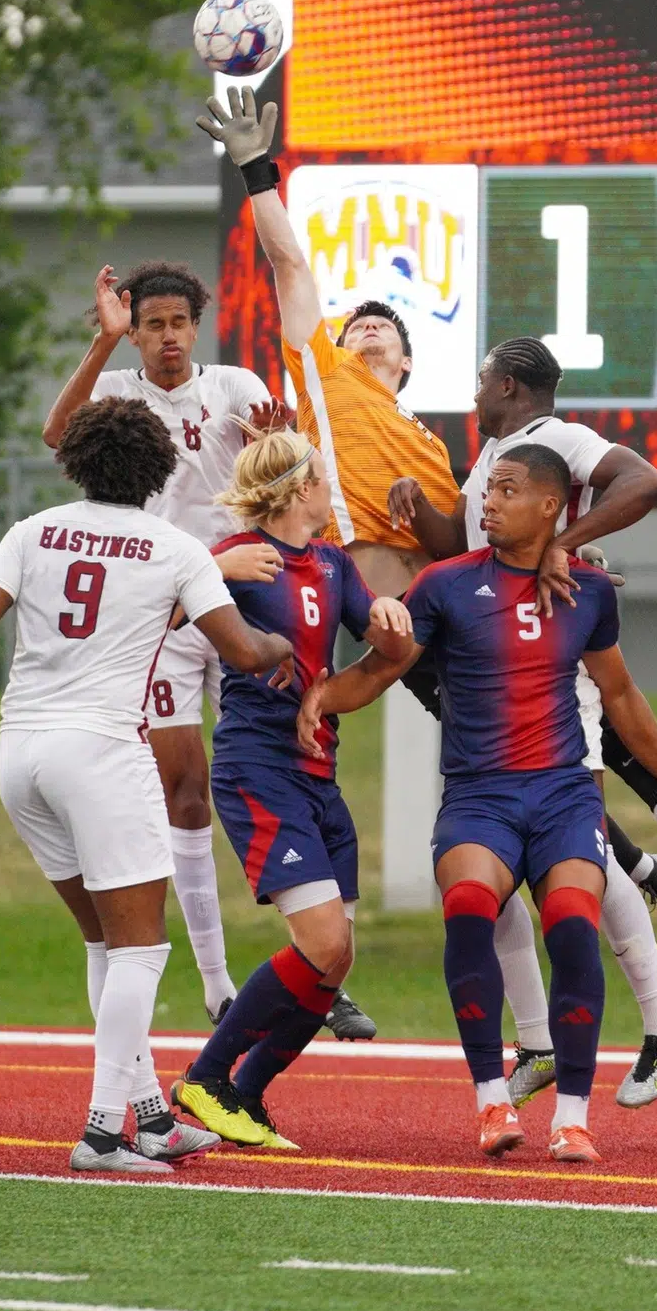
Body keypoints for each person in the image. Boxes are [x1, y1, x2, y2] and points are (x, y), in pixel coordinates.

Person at [299, 443, 657, 1163]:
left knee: (570, 923)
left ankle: (574, 1117)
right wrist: (318, 696)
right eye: (486, 489)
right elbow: (378, 668)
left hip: (562, 795)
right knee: (468, 906)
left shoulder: (589, 591)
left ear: (550, 507)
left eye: (505, 489)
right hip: (479, 795)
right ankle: (493, 1102)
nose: (485, 502)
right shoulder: (446, 584)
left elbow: (619, 695)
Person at [0, 396, 289, 1174]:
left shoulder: (33, 530)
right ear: (159, 468)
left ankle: (153, 1116)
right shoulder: (175, 546)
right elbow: (240, 649)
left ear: (76, 461)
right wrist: (282, 639)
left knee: (105, 938)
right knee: (142, 948)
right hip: (99, 752)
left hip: (21, 755)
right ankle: (101, 1131)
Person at [39, 259, 376, 1041]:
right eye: (150, 324)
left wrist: (279, 435)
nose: (165, 337)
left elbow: (292, 463)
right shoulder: (120, 392)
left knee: (303, 761)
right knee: (185, 787)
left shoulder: (231, 385)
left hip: (250, 597)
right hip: (170, 610)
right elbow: (59, 436)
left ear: (198, 325)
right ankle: (221, 984)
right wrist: (102, 346)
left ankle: (325, 955)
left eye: (176, 323)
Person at [388, 338, 657, 1110]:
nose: (472, 396)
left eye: (479, 382)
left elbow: (646, 480)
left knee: (577, 848)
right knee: (493, 871)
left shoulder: (555, 441)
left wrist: (561, 546)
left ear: (508, 383)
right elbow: (462, 548)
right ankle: (537, 1037)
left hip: (551, 653)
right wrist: (420, 507)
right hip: (489, 664)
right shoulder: (498, 459)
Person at [171, 430, 414, 1149]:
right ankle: (204, 1079)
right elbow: (163, 612)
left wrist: (392, 622)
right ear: (297, 487)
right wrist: (216, 567)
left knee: (336, 956)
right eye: (319, 474)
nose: (328, 485)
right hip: (258, 768)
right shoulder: (238, 557)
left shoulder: (334, 563)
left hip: (318, 775)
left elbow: (381, 650)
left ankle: (244, 1094)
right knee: (323, 938)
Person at [196, 87, 460, 599]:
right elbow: (290, 265)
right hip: (374, 584)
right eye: (355, 325)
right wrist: (255, 168)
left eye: (385, 324)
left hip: (444, 597)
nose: (369, 324)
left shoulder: (430, 441)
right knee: (335, 680)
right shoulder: (330, 370)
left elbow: (465, 533)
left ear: (408, 360)